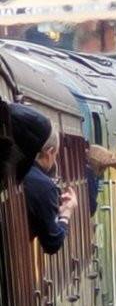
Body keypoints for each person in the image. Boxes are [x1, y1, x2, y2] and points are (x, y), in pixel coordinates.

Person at [10, 103, 78, 254]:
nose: (54, 161)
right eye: (56, 155)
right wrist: (65, 214)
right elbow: (52, 242)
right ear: (49, 152)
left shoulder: (14, 172)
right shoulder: (43, 186)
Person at [85, 144, 116, 216]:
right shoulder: (90, 176)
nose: (103, 171)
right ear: (96, 164)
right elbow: (92, 206)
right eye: (103, 168)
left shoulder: (92, 175)